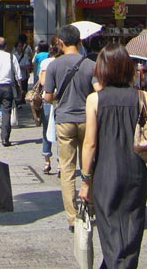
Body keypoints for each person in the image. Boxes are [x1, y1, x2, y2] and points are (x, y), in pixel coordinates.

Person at [80, 44, 147, 269]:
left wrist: (86, 180)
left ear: (102, 69)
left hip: (106, 175)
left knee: (110, 233)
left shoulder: (95, 100)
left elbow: (90, 143)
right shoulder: (142, 97)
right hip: (135, 173)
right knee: (132, 232)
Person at [44, 23, 96, 231]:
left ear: (61, 43)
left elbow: (48, 97)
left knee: (66, 169)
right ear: (80, 41)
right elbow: (98, 91)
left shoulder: (54, 66)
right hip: (87, 120)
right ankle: (90, 208)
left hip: (64, 119)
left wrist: (59, 96)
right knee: (88, 165)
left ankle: (73, 218)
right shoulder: (90, 64)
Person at [39, 39, 61, 174]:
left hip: (47, 98)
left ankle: (47, 161)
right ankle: (60, 163)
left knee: (47, 129)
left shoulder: (45, 63)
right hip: (61, 99)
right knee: (61, 132)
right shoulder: (63, 62)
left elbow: (41, 81)